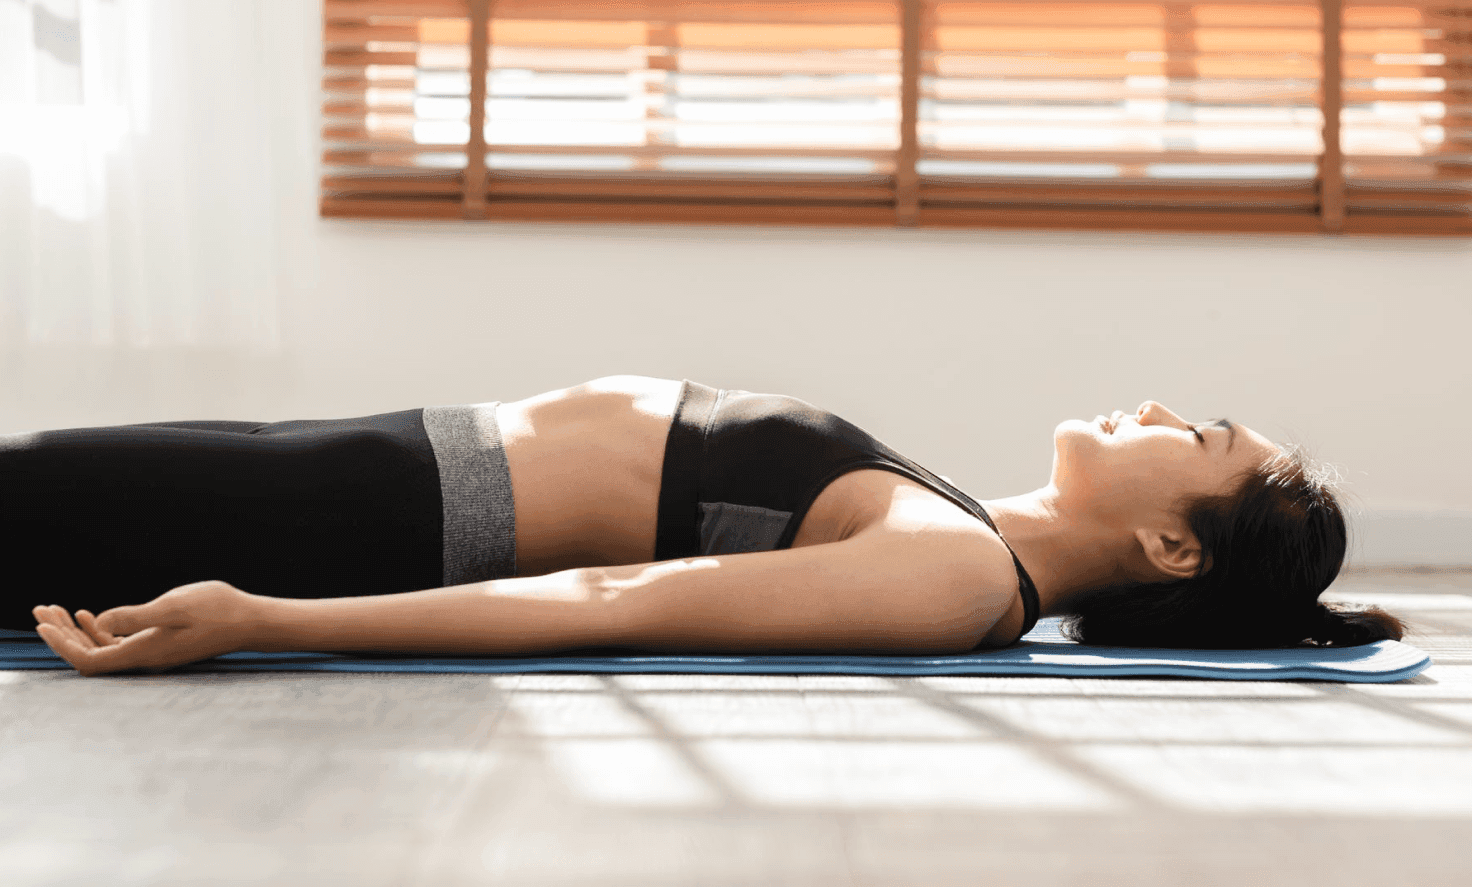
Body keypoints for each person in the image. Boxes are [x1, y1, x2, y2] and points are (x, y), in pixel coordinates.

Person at [10, 375, 1403, 676]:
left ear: (1176, 547)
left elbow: (613, 606)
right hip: (384, 466)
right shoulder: (965, 524)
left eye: (1199, 438)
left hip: (377, 522)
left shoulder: (956, 576)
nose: (1162, 407)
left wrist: (266, 621)